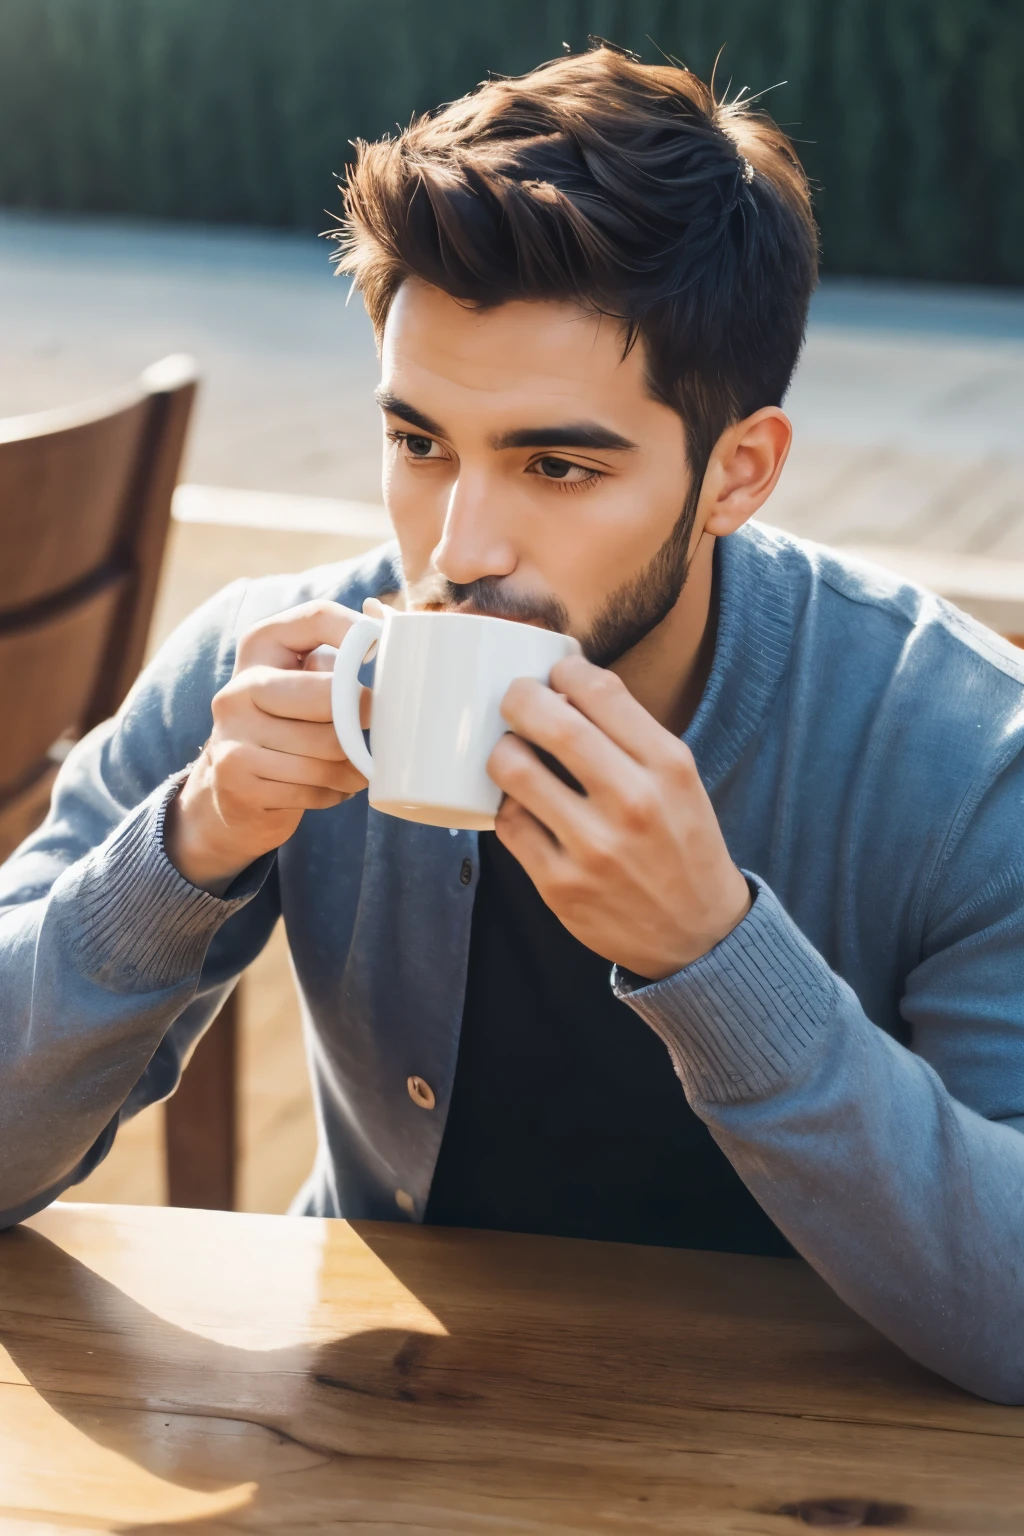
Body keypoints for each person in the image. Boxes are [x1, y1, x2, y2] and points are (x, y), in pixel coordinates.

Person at [2, 42, 1023, 1404]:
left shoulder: (961, 757)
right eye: (420, 444)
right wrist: (183, 849)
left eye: (556, 464)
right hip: (372, 1427)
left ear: (737, 473)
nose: (461, 545)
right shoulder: (274, 665)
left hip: (817, 1459)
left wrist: (716, 957)